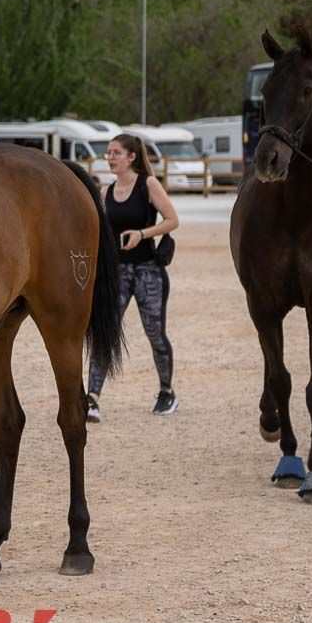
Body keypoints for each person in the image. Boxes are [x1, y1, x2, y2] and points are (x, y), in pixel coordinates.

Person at [86, 133, 180, 422]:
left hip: (148, 270)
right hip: (118, 273)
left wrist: (142, 234)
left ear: (131, 157)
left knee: (155, 334)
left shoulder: (148, 185)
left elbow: (172, 220)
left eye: (115, 152)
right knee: (106, 332)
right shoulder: (105, 192)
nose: (110, 157)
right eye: (108, 153)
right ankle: (92, 398)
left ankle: (167, 392)